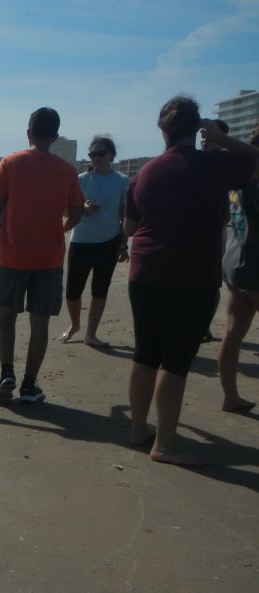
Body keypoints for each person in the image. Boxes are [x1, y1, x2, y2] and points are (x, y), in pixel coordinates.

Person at [123, 97, 259, 466]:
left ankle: (138, 429)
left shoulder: (144, 173)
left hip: (145, 270)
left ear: (162, 130)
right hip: (191, 275)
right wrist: (221, 137)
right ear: (197, 128)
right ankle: (165, 445)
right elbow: (255, 160)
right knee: (176, 361)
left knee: (146, 352)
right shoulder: (214, 163)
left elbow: (130, 228)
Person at [0, 107, 84, 403]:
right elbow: (76, 213)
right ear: (55, 136)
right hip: (48, 259)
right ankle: (29, 384)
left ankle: (6, 373)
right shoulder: (66, 172)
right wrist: (59, 229)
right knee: (40, 323)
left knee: (7, 317)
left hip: (12, 256)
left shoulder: (10, 164)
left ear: (29, 133)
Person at [59, 135, 130, 347]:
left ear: (111, 155)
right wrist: (83, 209)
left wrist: (123, 244)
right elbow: (65, 211)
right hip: (81, 241)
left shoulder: (122, 181)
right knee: (72, 290)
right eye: (92, 154)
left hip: (109, 241)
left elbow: (124, 215)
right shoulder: (80, 180)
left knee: (100, 290)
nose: (96, 158)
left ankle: (91, 333)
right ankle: (74, 325)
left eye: (101, 153)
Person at [217, 122, 259, 413]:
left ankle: (230, 396)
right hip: (256, 261)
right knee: (233, 333)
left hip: (235, 259)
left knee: (233, 333)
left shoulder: (236, 181)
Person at [199, 118, 233, 343]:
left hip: (216, 230)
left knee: (211, 283)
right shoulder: (194, 161)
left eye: (210, 134)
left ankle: (205, 326)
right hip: (189, 232)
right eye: (202, 134)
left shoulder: (228, 162)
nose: (204, 139)